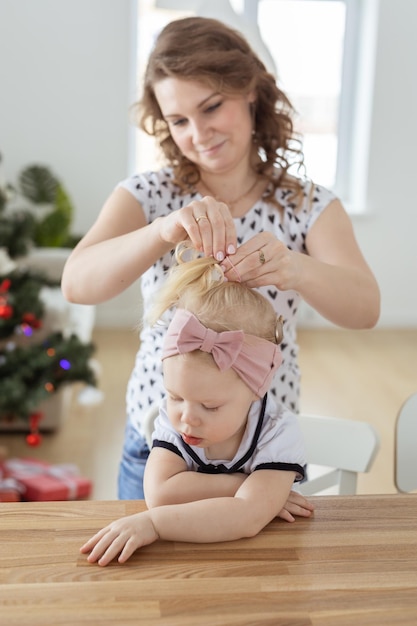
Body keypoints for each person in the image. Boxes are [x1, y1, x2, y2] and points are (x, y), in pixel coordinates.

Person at [61, 16, 380, 501]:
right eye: (178, 120)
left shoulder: (309, 206)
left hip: (265, 449)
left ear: (250, 91)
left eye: (211, 107)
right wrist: (161, 231)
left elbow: (366, 308)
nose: (199, 133)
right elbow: (77, 284)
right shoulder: (148, 194)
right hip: (159, 443)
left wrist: (296, 269)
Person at [80, 246, 308, 566]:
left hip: (256, 567)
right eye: (175, 396)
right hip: (178, 565)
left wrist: (155, 523)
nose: (186, 418)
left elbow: (246, 518)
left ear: (257, 389)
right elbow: (161, 494)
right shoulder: (174, 419)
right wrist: (251, 489)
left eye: (210, 406)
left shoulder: (276, 432)